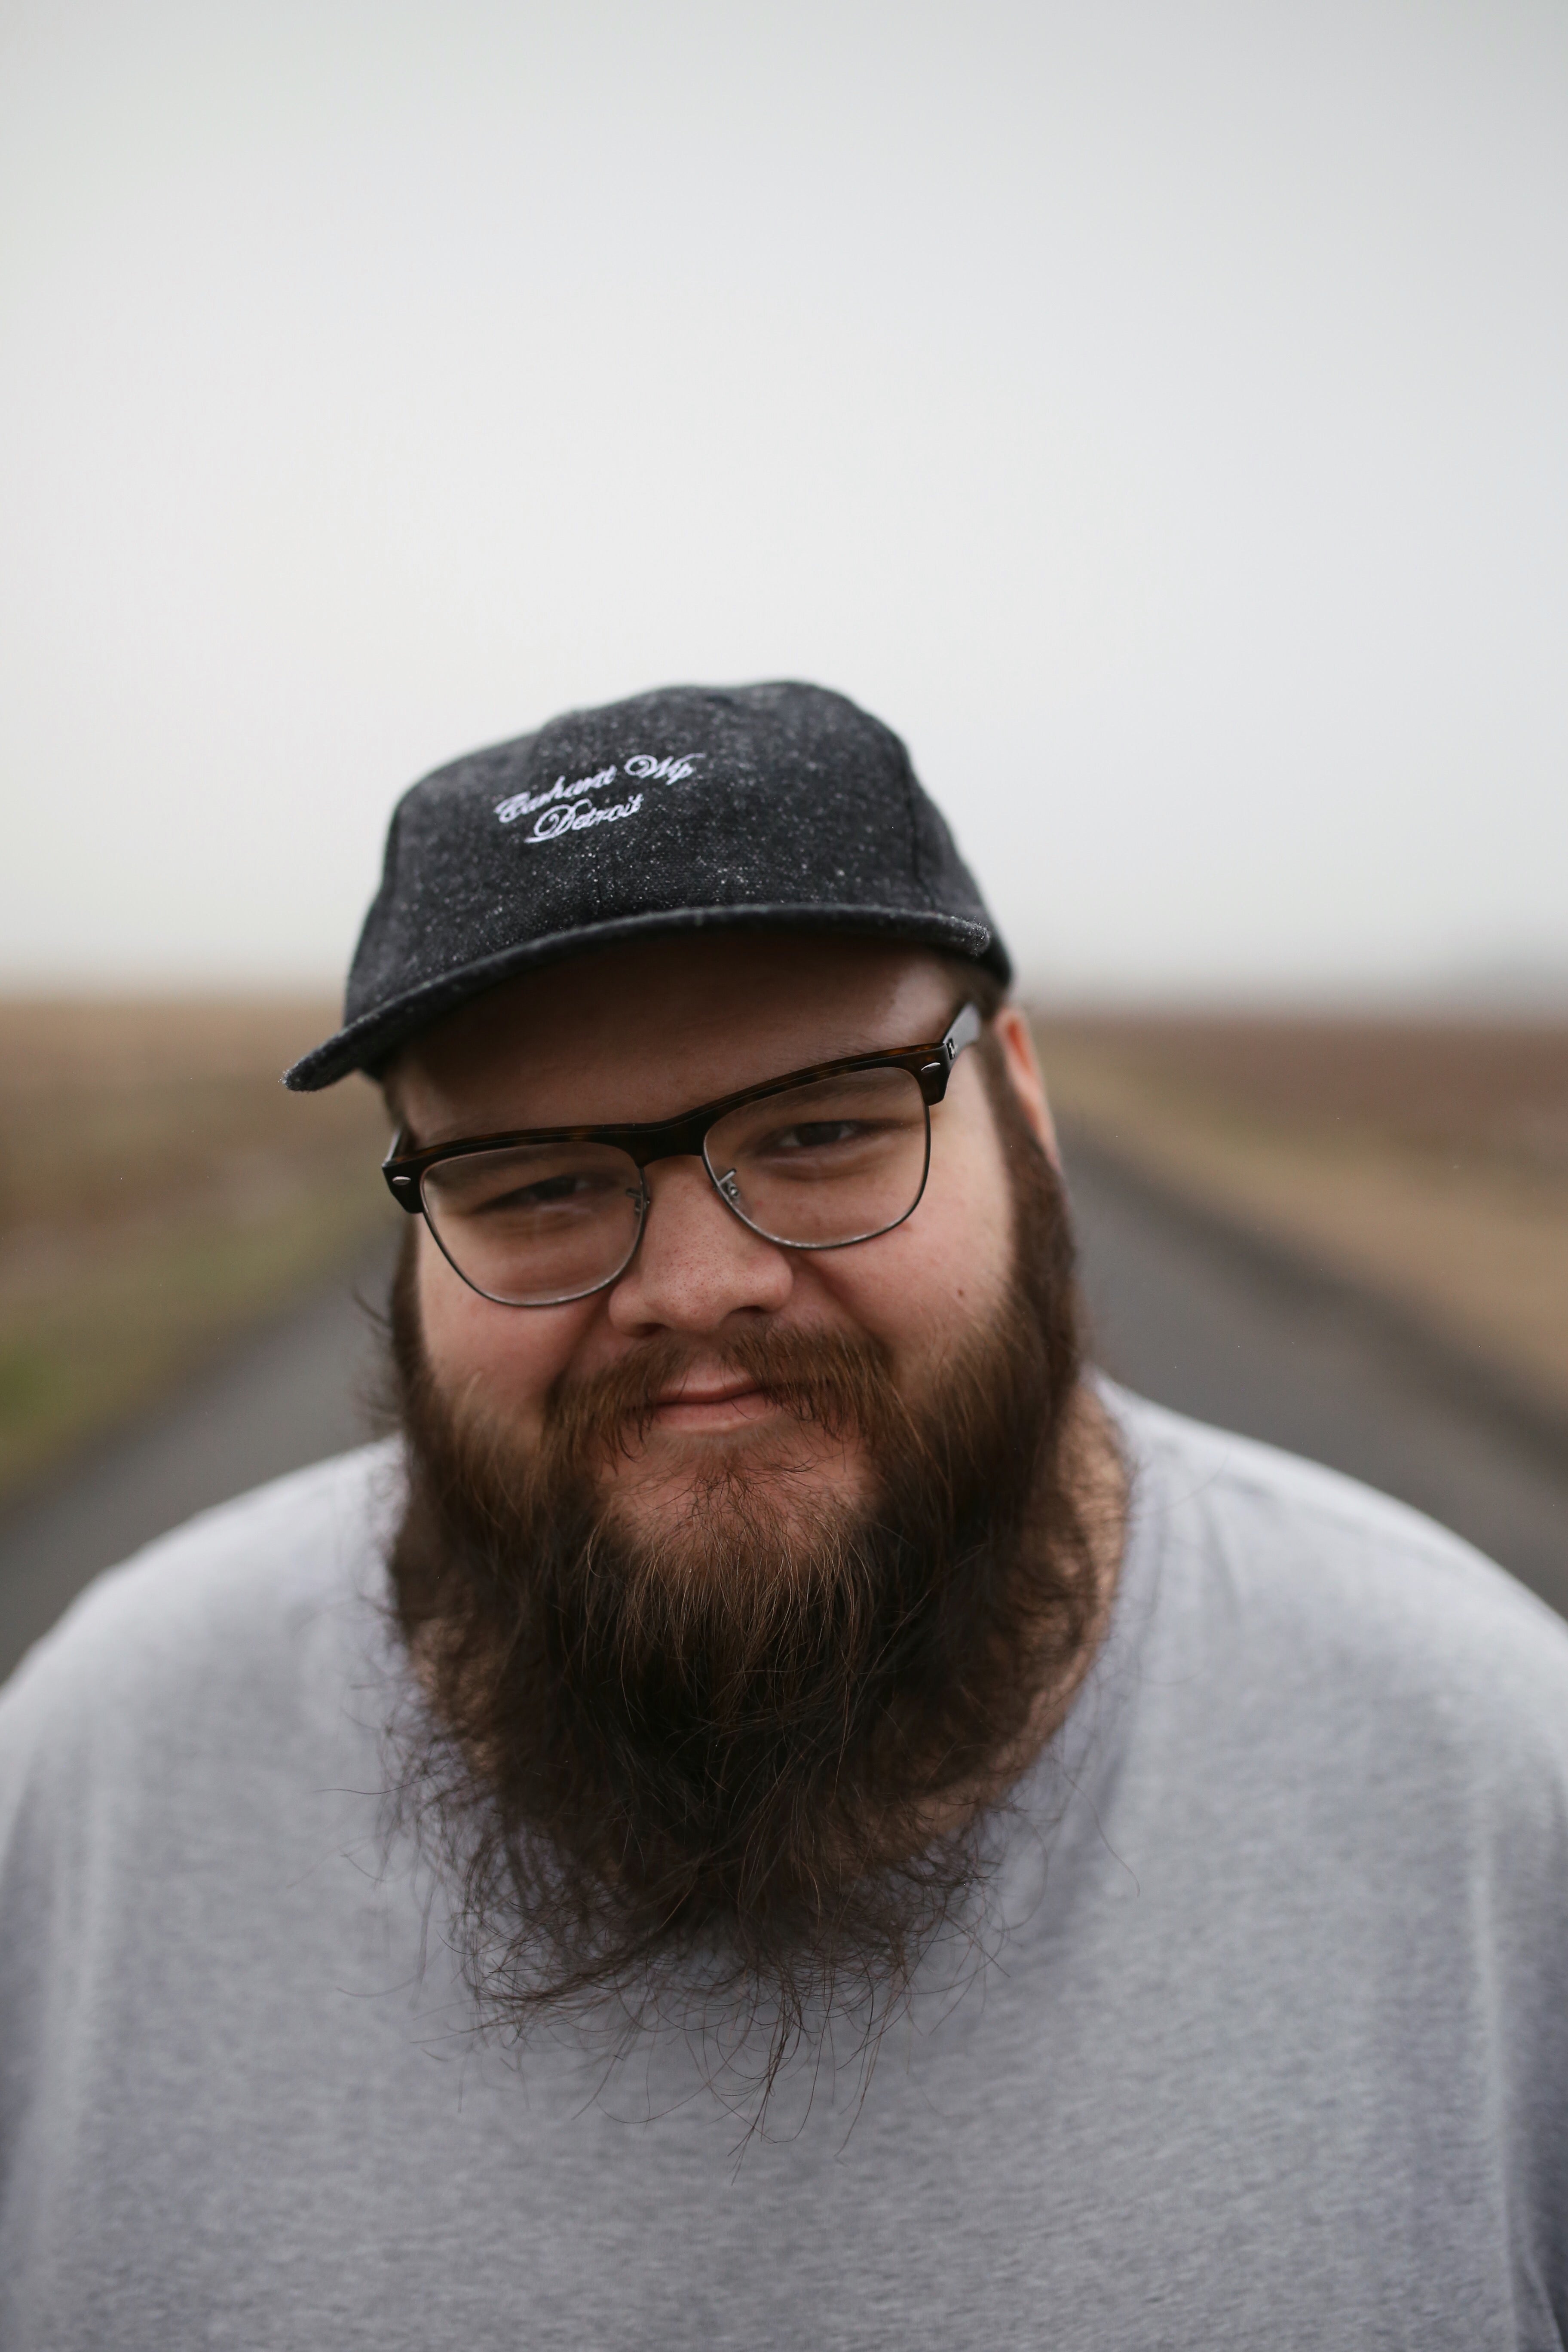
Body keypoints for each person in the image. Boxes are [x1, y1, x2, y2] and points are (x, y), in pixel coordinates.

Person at [0, 681, 1564, 2350]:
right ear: (414, 1216)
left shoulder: (1484, 1771)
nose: (697, 1289)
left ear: (1020, 1107)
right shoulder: (97, 1771)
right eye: (534, 1183)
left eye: (821, 1128)